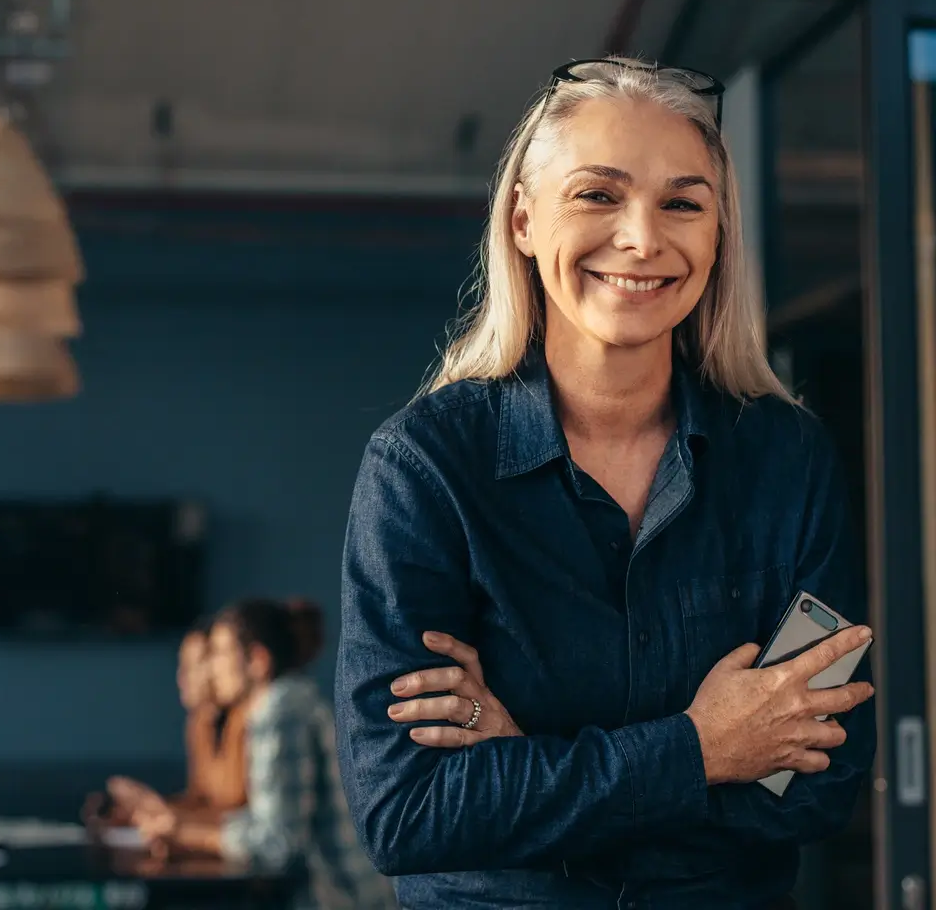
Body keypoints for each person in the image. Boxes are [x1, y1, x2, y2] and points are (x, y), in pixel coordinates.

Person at [335, 57, 877, 910]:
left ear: (717, 234)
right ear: (522, 217)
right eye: (598, 194)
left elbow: (818, 787)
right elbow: (409, 812)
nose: (642, 238)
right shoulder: (426, 467)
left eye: (683, 203)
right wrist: (703, 748)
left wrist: (529, 774)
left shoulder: (785, 457)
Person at [131, 599, 396, 910]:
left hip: (339, 899)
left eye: (219, 653)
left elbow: (278, 844)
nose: (211, 667)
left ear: (257, 660)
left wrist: (186, 835)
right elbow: (270, 820)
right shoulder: (287, 702)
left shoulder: (280, 712)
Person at [92, 620, 246, 832]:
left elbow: (239, 812)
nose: (182, 678)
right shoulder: (200, 724)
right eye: (182, 667)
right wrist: (142, 809)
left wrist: (156, 809)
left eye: (194, 666)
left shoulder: (245, 723)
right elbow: (201, 801)